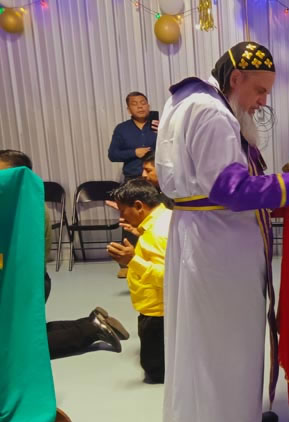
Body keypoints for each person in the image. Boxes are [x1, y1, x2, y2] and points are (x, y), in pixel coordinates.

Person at [155, 41, 289, 422]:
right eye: (260, 90)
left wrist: (281, 186)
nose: (262, 101)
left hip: (207, 241)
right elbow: (230, 189)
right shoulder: (214, 114)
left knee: (220, 344)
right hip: (217, 250)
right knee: (225, 347)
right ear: (235, 79)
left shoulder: (189, 101)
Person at [0, 150, 128, 359]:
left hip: (22, 283)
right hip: (21, 280)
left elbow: (13, 255)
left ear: (20, 175)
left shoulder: (21, 207)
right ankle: (91, 324)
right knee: (19, 332)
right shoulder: (19, 201)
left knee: (16, 347)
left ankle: (91, 330)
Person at [107, 179, 171, 384]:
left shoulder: (158, 233)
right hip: (160, 310)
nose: (121, 217)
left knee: (156, 372)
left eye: (122, 210)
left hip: (158, 314)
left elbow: (169, 277)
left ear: (138, 206)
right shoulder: (164, 219)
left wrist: (132, 260)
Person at [108, 91, 158, 278]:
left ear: (148, 105)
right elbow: (112, 154)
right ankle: (127, 263)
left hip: (155, 179)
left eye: (143, 102)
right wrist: (134, 152)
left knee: (156, 218)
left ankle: (154, 257)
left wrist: (164, 131)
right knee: (130, 219)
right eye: (135, 104)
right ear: (128, 109)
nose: (140, 106)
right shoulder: (122, 129)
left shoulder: (158, 125)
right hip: (132, 179)